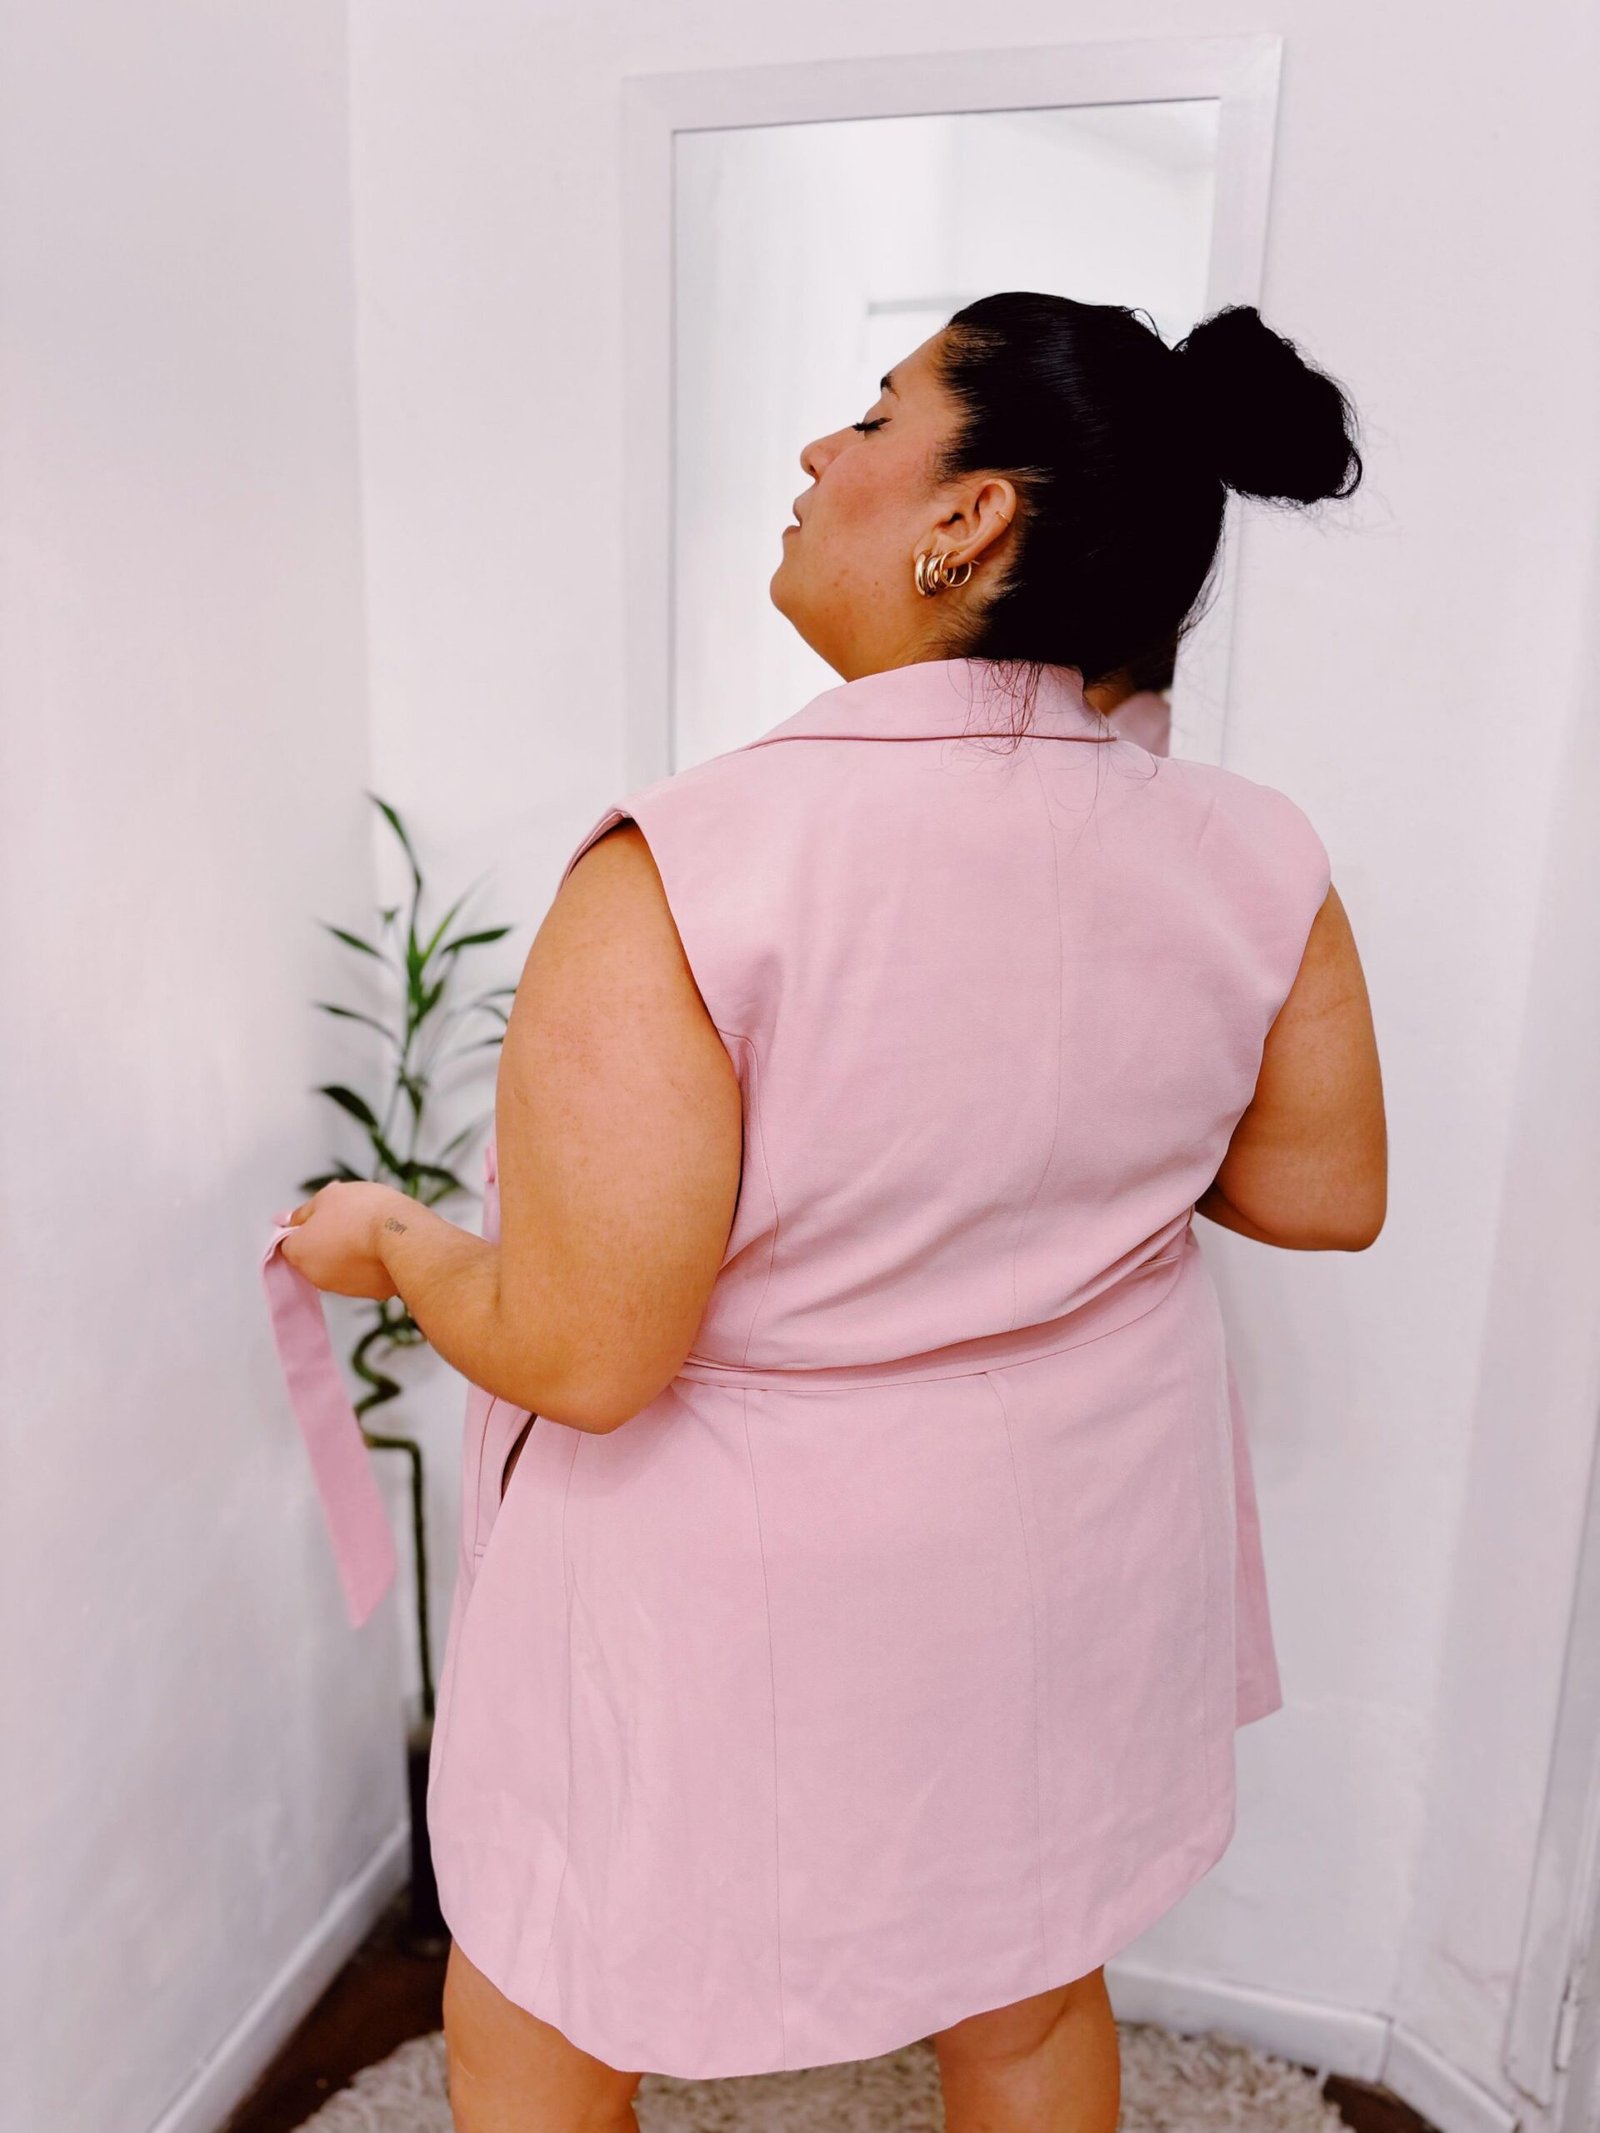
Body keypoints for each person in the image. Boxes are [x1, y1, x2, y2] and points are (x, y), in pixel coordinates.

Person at [281, 294, 1385, 2132]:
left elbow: (589, 1354)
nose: (819, 451)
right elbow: (1318, 1188)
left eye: (874, 415)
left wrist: (392, 1242)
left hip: (752, 1589)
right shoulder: (1256, 850)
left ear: (971, 519)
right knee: (1026, 1983)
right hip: (1076, 1537)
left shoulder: (687, 866)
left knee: (547, 1995)